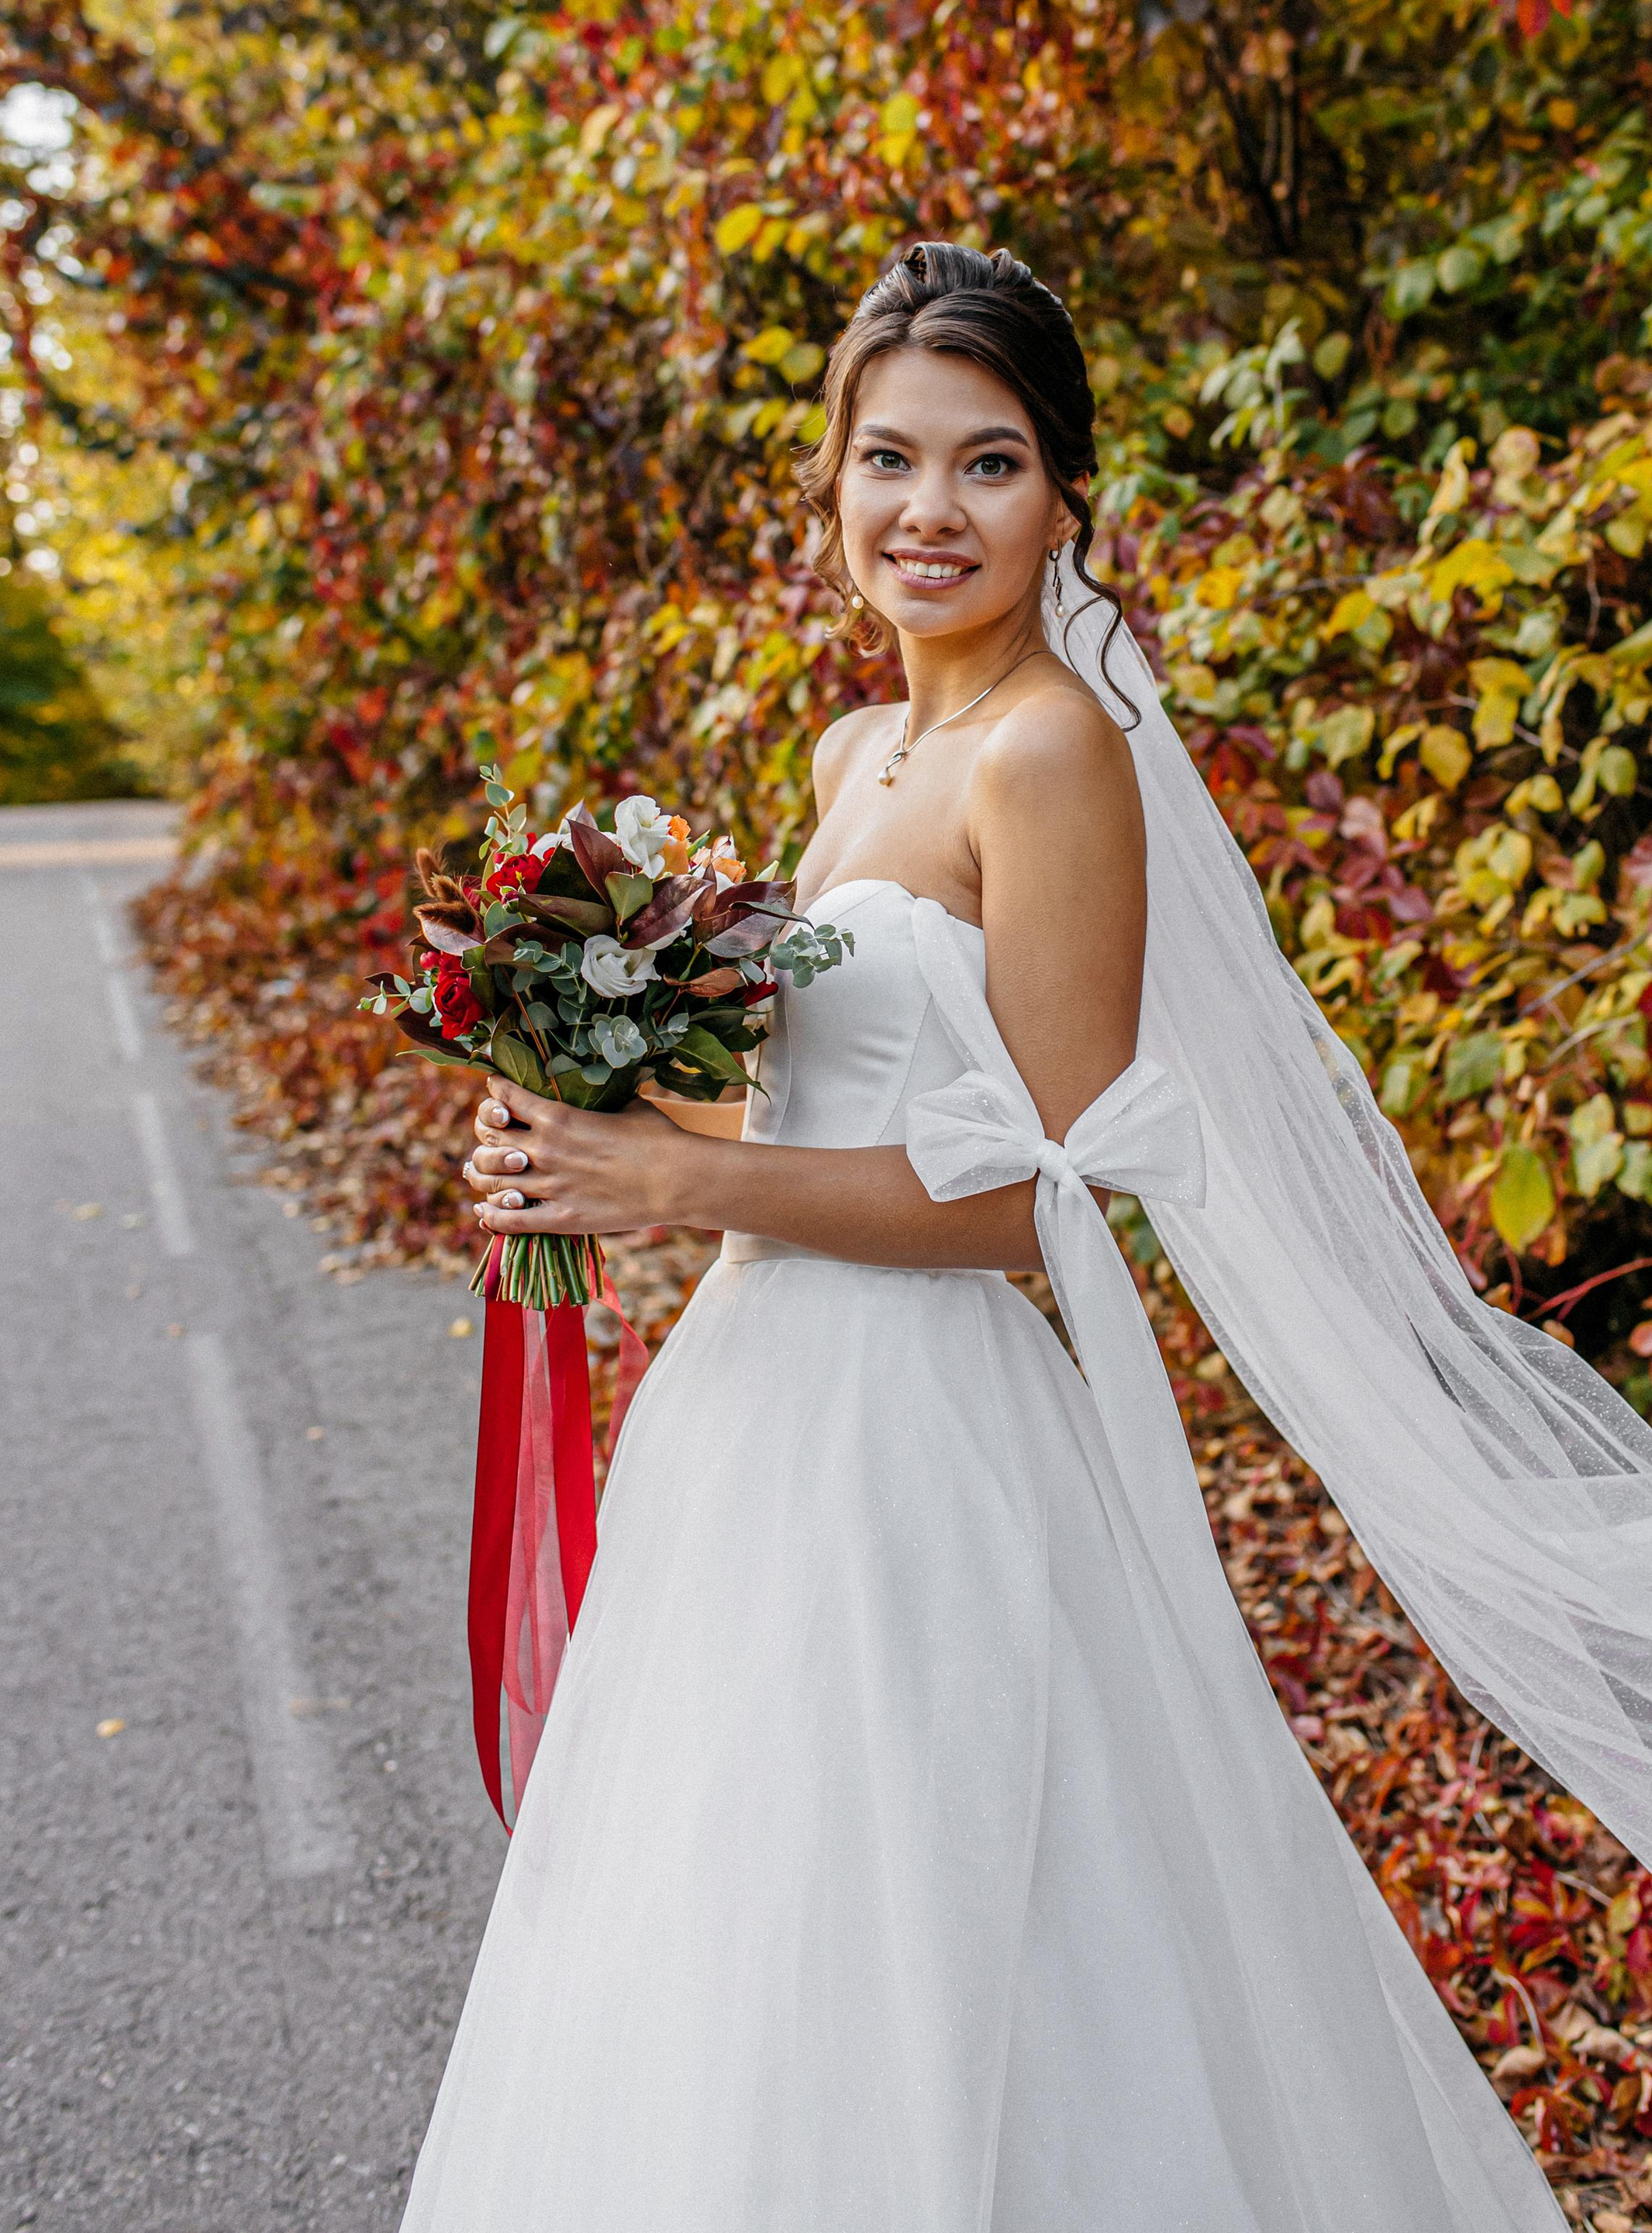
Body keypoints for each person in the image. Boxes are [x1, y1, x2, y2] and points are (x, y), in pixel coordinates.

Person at [402, 242, 1563, 2229]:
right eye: (889, 458)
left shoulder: (1050, 752)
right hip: (753, 1422)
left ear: (1063, 499)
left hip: (924, 1441)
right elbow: (808, 1111)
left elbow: (1034, 1193)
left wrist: (672, 1187)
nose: (928, 510)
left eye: (988, 462)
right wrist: (587, 1114)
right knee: (739, 1935)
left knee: (952, 1939)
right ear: (832, 485)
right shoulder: (857, 752)